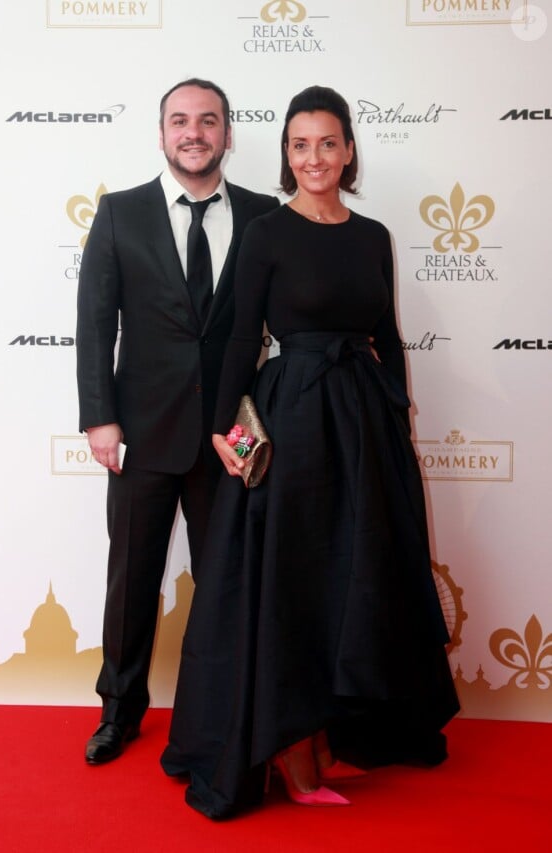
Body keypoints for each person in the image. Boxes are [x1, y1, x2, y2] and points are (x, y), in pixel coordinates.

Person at [160, 85, 460, 818]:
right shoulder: (267, 231)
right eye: (300, 145)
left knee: (351, 581)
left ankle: (328, 737)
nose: (314, 157)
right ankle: (292, 752)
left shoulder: (372, 235)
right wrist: (223, 430)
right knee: (295, 581)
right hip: (291, 419)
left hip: (361, 424)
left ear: (349, 149)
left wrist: (398, 415)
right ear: (286, 154)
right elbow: (238, 335)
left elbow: (386, 333)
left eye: (328, 143)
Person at [76, 78, 278, 765]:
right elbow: (96, 323)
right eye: (180, 121)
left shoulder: (262, 215)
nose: (194, 132)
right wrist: (100, 419)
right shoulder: (120, 212)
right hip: (140, 434)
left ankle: (219, 710)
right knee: (131, 579)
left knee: (225, 581)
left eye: (208, 120)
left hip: (228, 439)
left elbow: (279, 327)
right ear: (162, 133)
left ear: (228, 132)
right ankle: (118, 709)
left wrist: (260, 426)